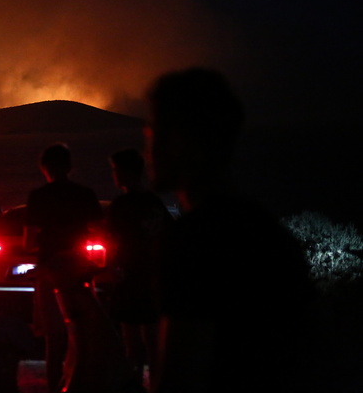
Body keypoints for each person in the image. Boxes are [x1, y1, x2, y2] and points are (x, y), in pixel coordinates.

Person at [146, 68, 314, 393]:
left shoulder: (194, 240)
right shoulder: (272, 236)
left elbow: (181, 375)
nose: (148, 153)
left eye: (153, 136)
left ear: (180, 141)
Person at [23, 143, 104, 393]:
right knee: (80, 332)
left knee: (53, 334)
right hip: (78, 267)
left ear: (44, 168)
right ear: (70, 167)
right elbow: (100, 231)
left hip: (50, 268)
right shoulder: (85, 195)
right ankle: (79, 383)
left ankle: (54, 385)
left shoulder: (37, 198)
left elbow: (28, 242)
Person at [106, 148, 173, 388]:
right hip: (152, 277)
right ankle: (156, 383)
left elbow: (112, 242)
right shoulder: (153, 202)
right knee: (153, 340)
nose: (113, 175)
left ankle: (133, 385)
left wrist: (111, 268)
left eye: (115, 170)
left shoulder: (121, 206)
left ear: (125, 172)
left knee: (132, 341)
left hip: (130, 278)